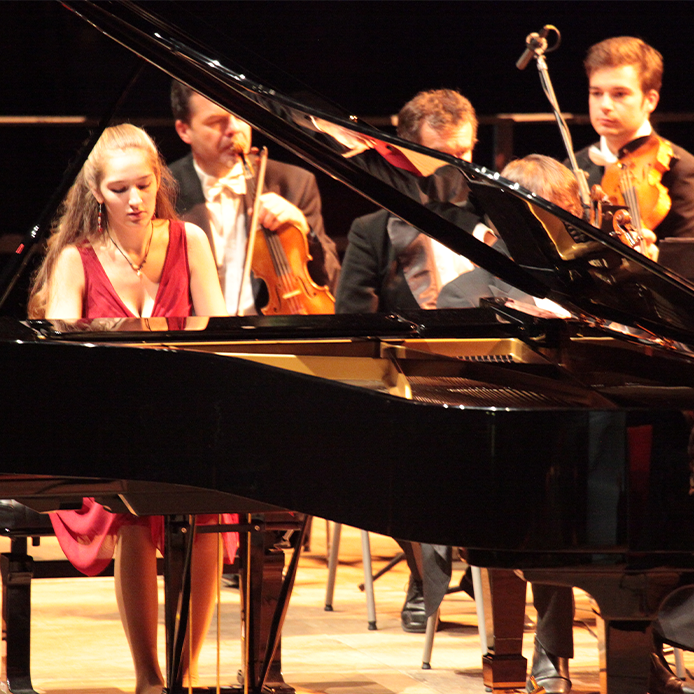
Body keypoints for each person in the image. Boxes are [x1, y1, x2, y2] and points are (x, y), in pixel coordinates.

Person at [439, 154, 693, 694]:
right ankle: (549, 653)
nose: (566, 230)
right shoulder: (466, 289)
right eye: (553, 217)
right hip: (519, 446)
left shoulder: (600, 284)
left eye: (569, 215)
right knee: (552, 497)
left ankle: (643, 648)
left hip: (611, 437)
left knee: (641, 506)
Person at [28, 123, 233, 694]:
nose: (135, 200)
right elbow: (66, 363)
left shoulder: (190, 240)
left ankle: (185, 674)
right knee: (138, 496)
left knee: (210, 500)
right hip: (105, 427)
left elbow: (215, 332)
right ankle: (148, 676)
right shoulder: (75, 257)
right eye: (119, 190)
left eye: (143, 185)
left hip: (183, 414)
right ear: (97, 192)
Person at [336, 89, 488, 634]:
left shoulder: (497, 221)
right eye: (442, 158)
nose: (456, 172)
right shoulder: (371, 231)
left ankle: (484, 556)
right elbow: (354, 319)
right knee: (392, 447)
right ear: (405, 156)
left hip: (487, 375)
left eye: (464, 157)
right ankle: (428, 571)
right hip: (406, 382)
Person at [169, 81, 340, 315]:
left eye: (241, 116)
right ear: (184, 130)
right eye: (216, 122)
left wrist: (303, 230)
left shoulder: (294, 183)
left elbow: (334, 283)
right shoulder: (162, 191)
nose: (234, 129)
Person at [576, 36, 694, 249]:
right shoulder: (575, 165)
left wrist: (656, 260)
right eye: (596, 93)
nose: (605, 105)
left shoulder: (682, 169)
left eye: (619, 94)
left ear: (650, 100)